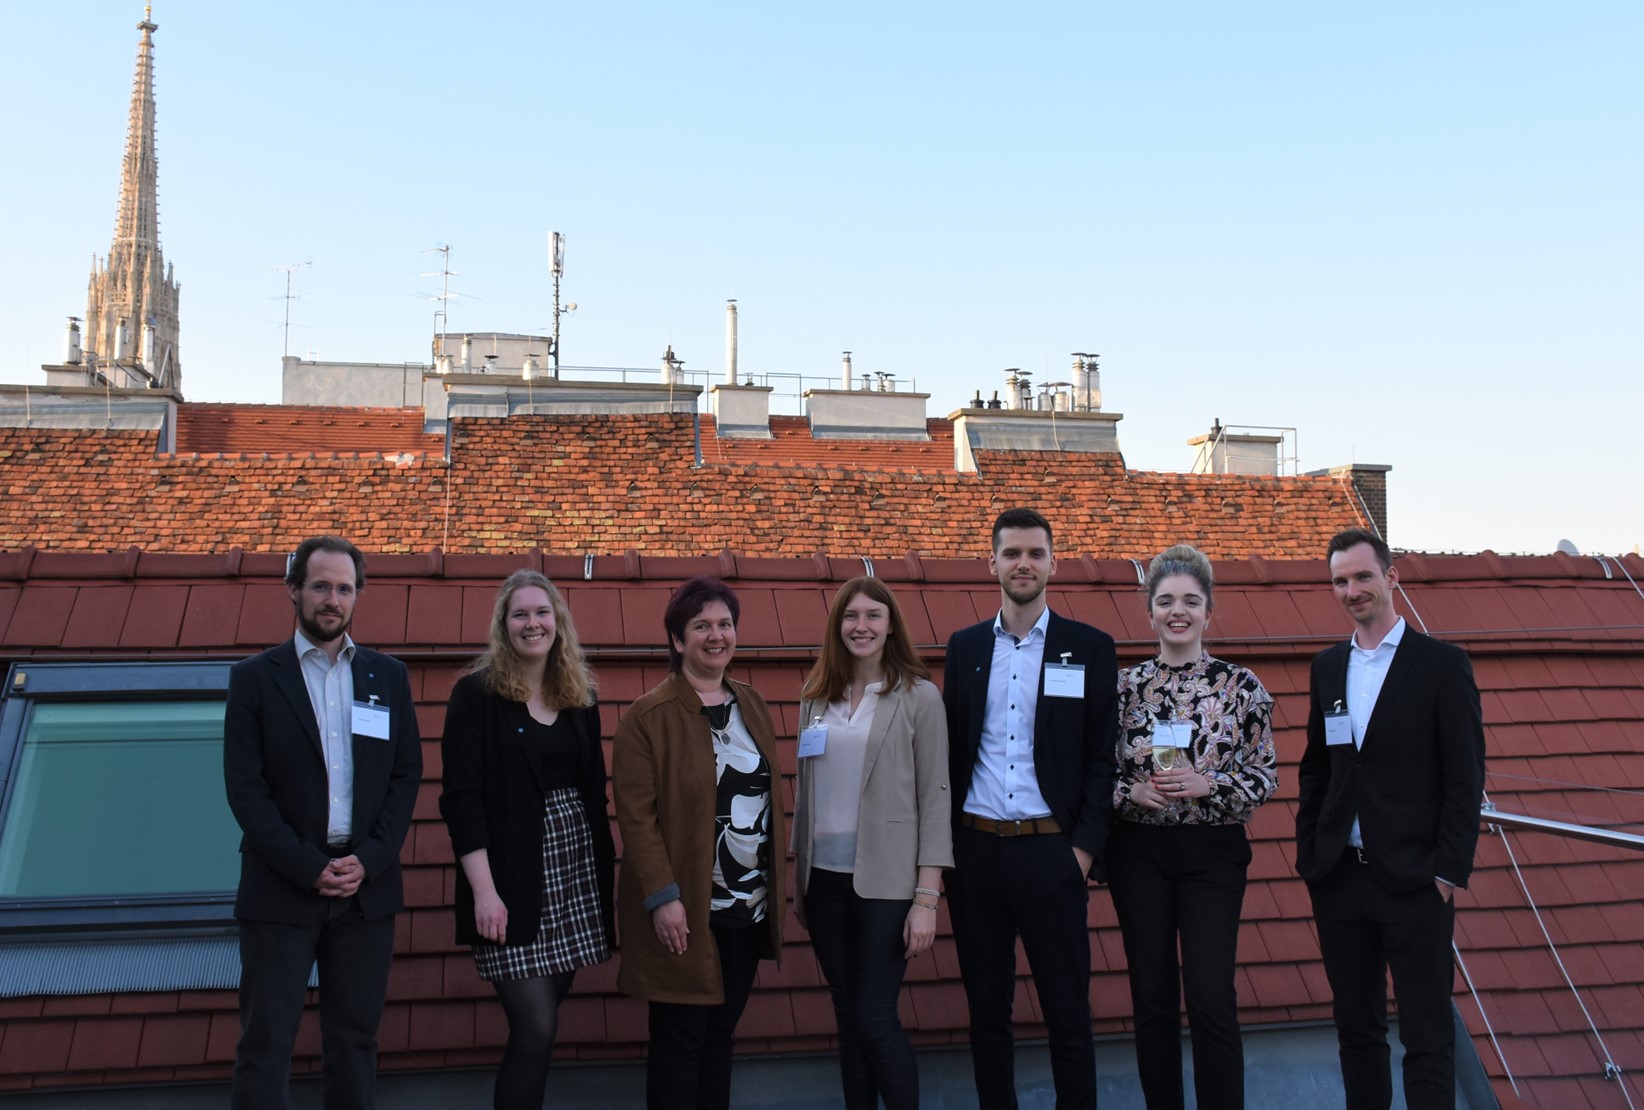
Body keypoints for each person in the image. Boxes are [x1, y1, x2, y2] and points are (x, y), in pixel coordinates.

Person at [223, 536, 422, 1110]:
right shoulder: (255, 679)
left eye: (344, 588)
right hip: (281, 888)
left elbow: (405, 775)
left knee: (354, 1042)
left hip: (367, 891)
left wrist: (374, 857)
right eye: (319, 586)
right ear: (294, 590)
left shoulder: (388, 677)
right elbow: (246, 790)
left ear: (357, 596)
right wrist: (311, 868)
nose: (331, 599)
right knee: (266, 1044)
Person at [1296, 528, 1486, 1110]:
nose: (1351, 590)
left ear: (1391, 577)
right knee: (1357, 1033)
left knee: (1427, 1037)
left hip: (1416, 880)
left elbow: (1464, 776)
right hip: (1341, 880)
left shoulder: (1441, 665)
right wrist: (1312, 854)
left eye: (1361, 577)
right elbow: (1316, 770)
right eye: (1340, 581)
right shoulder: (1328, 667)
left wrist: (1448, 873)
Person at [942, 507, 1119, 1109]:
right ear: (990, 562)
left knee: (1068, 1013)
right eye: (1012, 553)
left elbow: (1103, 757)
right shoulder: (964, 648)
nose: (1024, 564)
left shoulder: (1090, 648)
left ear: (1051, 563)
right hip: (976, 853)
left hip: (1053, 853)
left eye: (1035, 554)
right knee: (987, 1014)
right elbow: (953, 751)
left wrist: (1082, 852)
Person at [1108, 544, 1277, 1110]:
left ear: (1209, 609)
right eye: (1165, 601)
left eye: (1189, 601)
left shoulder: (1240, 687)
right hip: (1141, 854)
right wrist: (1127, 791)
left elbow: (1264, 774)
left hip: (1213, 854)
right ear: (1148, 611)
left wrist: (1214, 786)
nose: (1177, 611)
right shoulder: (1123, 689)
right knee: (1152, 1000)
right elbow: (1092, 775)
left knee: (1209, 999)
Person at [438, 570, 615, 1109]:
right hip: (509, 876)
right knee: (535, 1030)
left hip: (573, 872)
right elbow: (461, 801)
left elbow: (593, 791)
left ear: (558, 623)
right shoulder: (475, 695)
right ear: (504, 625)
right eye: (520, 614)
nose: (532, 623)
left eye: (542, 613)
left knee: (545, 1025)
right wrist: (485, 893)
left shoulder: (579, 696)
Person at [611, 576, 785, 1110]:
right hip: (684, 911)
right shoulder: (648, 716)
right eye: (701, 626)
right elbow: (637, 820)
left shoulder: (751, 705)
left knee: (720, 1038)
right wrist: (663, 899)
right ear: (677, 640)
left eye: (725, 624)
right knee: (679, 1043)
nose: (716, 636)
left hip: (745, 908)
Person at [792, 577, 954, 1110]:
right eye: (850, 616)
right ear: (837, 626)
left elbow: (935, 800)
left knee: (874, 1016)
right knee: (846, 1015)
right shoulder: (816, 697)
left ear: (890, 626)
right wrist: (800, 881)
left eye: (872, 616)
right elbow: (808, 792)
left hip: (886, 884)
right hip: (825, 883)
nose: (861, 626)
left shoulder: (919, 696)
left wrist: (926, 899)